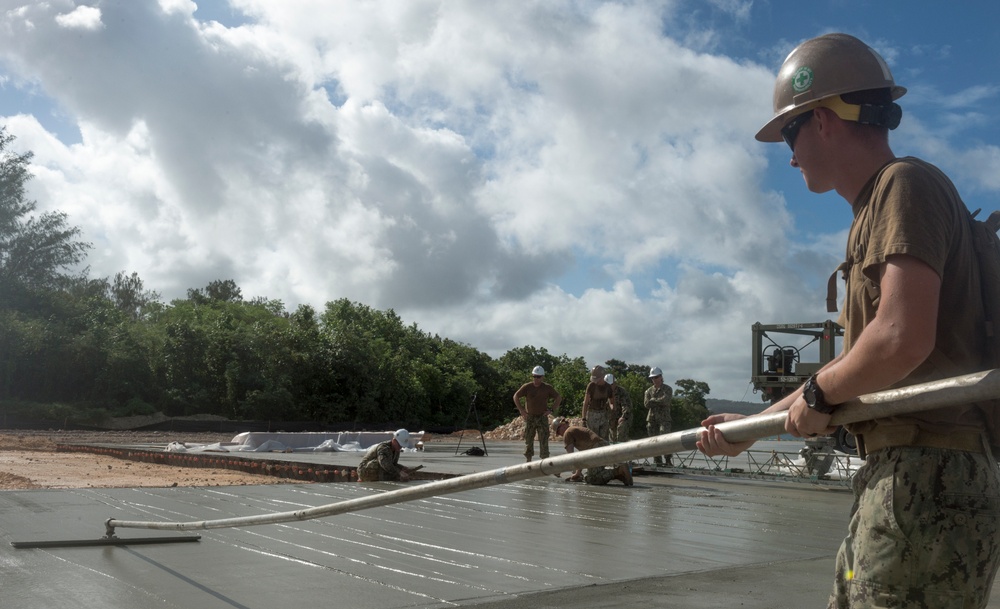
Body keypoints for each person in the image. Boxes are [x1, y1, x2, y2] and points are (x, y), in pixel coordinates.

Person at [696, 33, 1000, 609]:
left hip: (928, 475)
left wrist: (819, 391)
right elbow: (853, 363)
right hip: (901, 473)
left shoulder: (902, 186)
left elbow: (900, 338)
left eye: (790, 132)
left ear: (825, 119)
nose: (788, 155)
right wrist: (754, 428)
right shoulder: (878, 207)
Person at [551, 417, 632, 486]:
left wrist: (559, 469)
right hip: (603, 446)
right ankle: (622, 475)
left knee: (591, 478)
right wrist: (578, 473)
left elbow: (570, 457)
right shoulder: (575, 429)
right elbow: (581, 456)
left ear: (563, 425)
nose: (560, 434)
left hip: (596, 450)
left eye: (558, 431)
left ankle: (619, 471)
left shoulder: (567, 433)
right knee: (597, 473)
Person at [513, 365, 562, 462]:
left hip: (542, 417)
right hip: (530, 417)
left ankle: (544, 461)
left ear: (542, 377)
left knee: (544, 439)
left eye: (538, 377)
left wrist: (551, 410)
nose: (536, 379)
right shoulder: (527, 387)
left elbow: (558, 398)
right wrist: (521, 410)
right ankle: (528, 460)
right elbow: (516, 396)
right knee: (528, 440)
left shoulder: (547, 388)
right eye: (534, 376)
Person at [643, 367, 673, 466]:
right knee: (653, 440)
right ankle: (657, 460)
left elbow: (666, 400)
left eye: (656, 377)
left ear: (661, 377)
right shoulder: (648, 391)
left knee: (665, 438)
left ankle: (668, 459)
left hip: (664, 419)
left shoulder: (667, 389)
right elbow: (646, 404)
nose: (654, 380)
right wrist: (657, 401)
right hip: (652, 419)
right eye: (652, 378)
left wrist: (653, 401)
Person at [582, 365, 614, 441]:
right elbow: (585, 403)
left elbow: (612, 403)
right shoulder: (591, 386)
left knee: (604, 440)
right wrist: (583, 418)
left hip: (603, 415)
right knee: (593, 439)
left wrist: (612, 413)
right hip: (592, 414)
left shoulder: (608, 387)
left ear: (603, 377)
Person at [605, 373, 632, 443]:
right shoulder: (604, 393)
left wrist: (623, 417)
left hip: (623, 417)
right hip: (611, 419)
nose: (610, 386)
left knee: (621, 432)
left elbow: (626, 405)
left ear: (615, 383)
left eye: (611, 384)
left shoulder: (622, 392)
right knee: (612, 439)